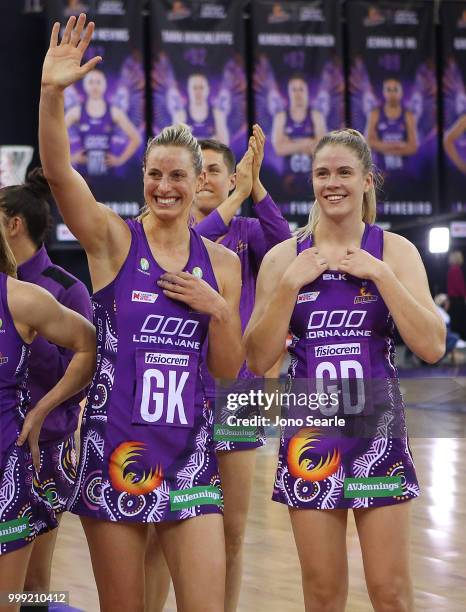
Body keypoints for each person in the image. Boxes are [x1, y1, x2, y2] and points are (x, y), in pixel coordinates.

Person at [40, 14, 243, 612]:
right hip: (115, 449)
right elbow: (58, 173)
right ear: (144, 178)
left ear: (198, 181)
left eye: (178, 175)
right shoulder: (113, 241)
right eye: (154, 174)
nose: (165, 186)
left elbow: (230, 368)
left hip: (189, 455)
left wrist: (218, 312)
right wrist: (52, 95)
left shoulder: (222, 266)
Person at [245, 128, 445, 611]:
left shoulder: (394, 251)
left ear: (367, 180)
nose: (332, 183)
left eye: (344, 173)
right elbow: (255, 356)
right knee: (322, 591)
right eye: (322, 174)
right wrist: (289, 286)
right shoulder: (283, 258)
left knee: (391, 591)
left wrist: (381, 274)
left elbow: (433, 346)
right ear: (311, 181)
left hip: (377, 434)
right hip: (311, 435)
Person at [145, 128, 291, 612]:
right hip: (177, 390)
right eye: (198, 169)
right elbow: (194, 245)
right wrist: (237, 199)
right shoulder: (161, 230)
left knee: (230, 533)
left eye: (215, 171)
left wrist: (259, 190)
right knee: (160, 526)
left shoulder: (247, 233)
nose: (205, 177)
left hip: (239, 393)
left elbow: (284, 243)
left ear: (234, 179)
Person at [0, 167, 93, 606]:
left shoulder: (62, 289)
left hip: (47, 447)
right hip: (10, 441)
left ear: (13, 223)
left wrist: (40, 410)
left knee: (35, 584)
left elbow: (82, 363)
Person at [65, 68, 142, 176]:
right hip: (82, 176)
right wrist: (71, 157)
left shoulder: (115, 112)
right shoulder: (76, 112)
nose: (95, 86)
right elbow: (54, 136)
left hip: (108, 176)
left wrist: (120, 160)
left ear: (104, 85)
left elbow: (136, 139)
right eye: (91, 82)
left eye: (98, 82)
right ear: (85, 85)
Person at [271, 75, 326, 193]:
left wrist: (290, 143)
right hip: (287, 180)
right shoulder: (281, 117)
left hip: (314, 179)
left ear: (307, 92)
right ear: (288, 93)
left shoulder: (316, 116)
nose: (298, 93)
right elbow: (278, 149)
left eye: (301, 89)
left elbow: (321, 149)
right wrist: (307, 142)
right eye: (294, 89)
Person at [366, 77, 418, 172]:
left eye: (395, 89)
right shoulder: (375, 114)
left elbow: (413, 147)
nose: (392, 93)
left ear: (401, 93)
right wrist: (397, 145)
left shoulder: (408, 115)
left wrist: (383, 147)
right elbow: (369, 142)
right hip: (381, 172)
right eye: (388, 89)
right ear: (383, 92)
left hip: (404, 172)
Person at [173, 73, 229, 145]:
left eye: (201, 87)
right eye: (194, 88)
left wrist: (191, 141)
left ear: (208, 89)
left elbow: (225, 144)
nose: (198, 92)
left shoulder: (217, 114)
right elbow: (176, 146)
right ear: (188, 90)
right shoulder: (180, 115)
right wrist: (211, 140)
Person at [447, 249, 466, 339]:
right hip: (458, 299)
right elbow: (459, 286)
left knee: (454, 319)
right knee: (459, 320)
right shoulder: (456, 270)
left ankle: (456, 338)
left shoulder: (451, 270)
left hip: (452, 299)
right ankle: (459, 338)